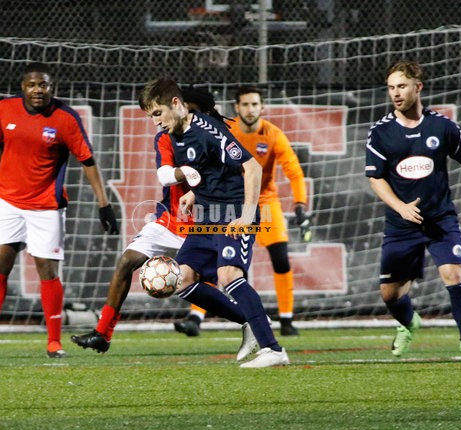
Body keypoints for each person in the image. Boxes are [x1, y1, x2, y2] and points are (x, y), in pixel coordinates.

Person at [70, 87, 258, 361]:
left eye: (192, 111)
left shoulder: (216, 137)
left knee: (222, 278)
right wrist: (186, 173)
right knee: (127, 261)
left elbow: (241, 175)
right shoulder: (167, 137)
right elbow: (166, 174)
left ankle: (249, 322)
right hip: (169, 219)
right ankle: (103, 332)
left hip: (205, 223)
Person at [0, 62, 119, 359]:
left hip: (46, 205)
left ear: (52, 88)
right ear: (23, 87)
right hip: (7, 201)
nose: (38, 90)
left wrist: (104, 204)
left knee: (47, 271)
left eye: (44, 85)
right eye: (32, 85)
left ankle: (54, 342)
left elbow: (87, 160)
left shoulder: (66, 118)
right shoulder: (4, 109)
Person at [139, 77, 289, 368]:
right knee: (181, 279)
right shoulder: (175, 134)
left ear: (175, 103)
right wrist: (195, 193)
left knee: (229, 275)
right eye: (151, 116)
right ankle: (251, 321)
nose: (156, 121)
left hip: (233, 212)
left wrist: (247, 217)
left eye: (158, 113)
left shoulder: (208, 130)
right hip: (206, 215)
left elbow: (252, 168)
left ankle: (273, 349)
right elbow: (212, 171)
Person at [365, 60, 461, 362]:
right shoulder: (380, 132)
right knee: (390, 294)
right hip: (401, 223)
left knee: (453, 274)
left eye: (401, 86)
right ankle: (408, 323)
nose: (395, 93)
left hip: (440, 218)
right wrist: (400, 207)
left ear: (418, 87)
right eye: (391, 87)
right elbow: (375, 178)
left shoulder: (442, 126)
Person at [175, 85, 310, 337]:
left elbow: (293, 171)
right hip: (228, 200)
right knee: (213, 259)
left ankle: (286, 318)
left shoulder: (273, 135)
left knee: (280, 257)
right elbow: (207, 166)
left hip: (265, 201)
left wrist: (300, 203)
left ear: (262, 107)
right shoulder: (226, 130)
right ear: (237, 107)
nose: (250, 109)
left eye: (254, 104)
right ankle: (195, 316)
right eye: (245, 104)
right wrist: (196, 192)